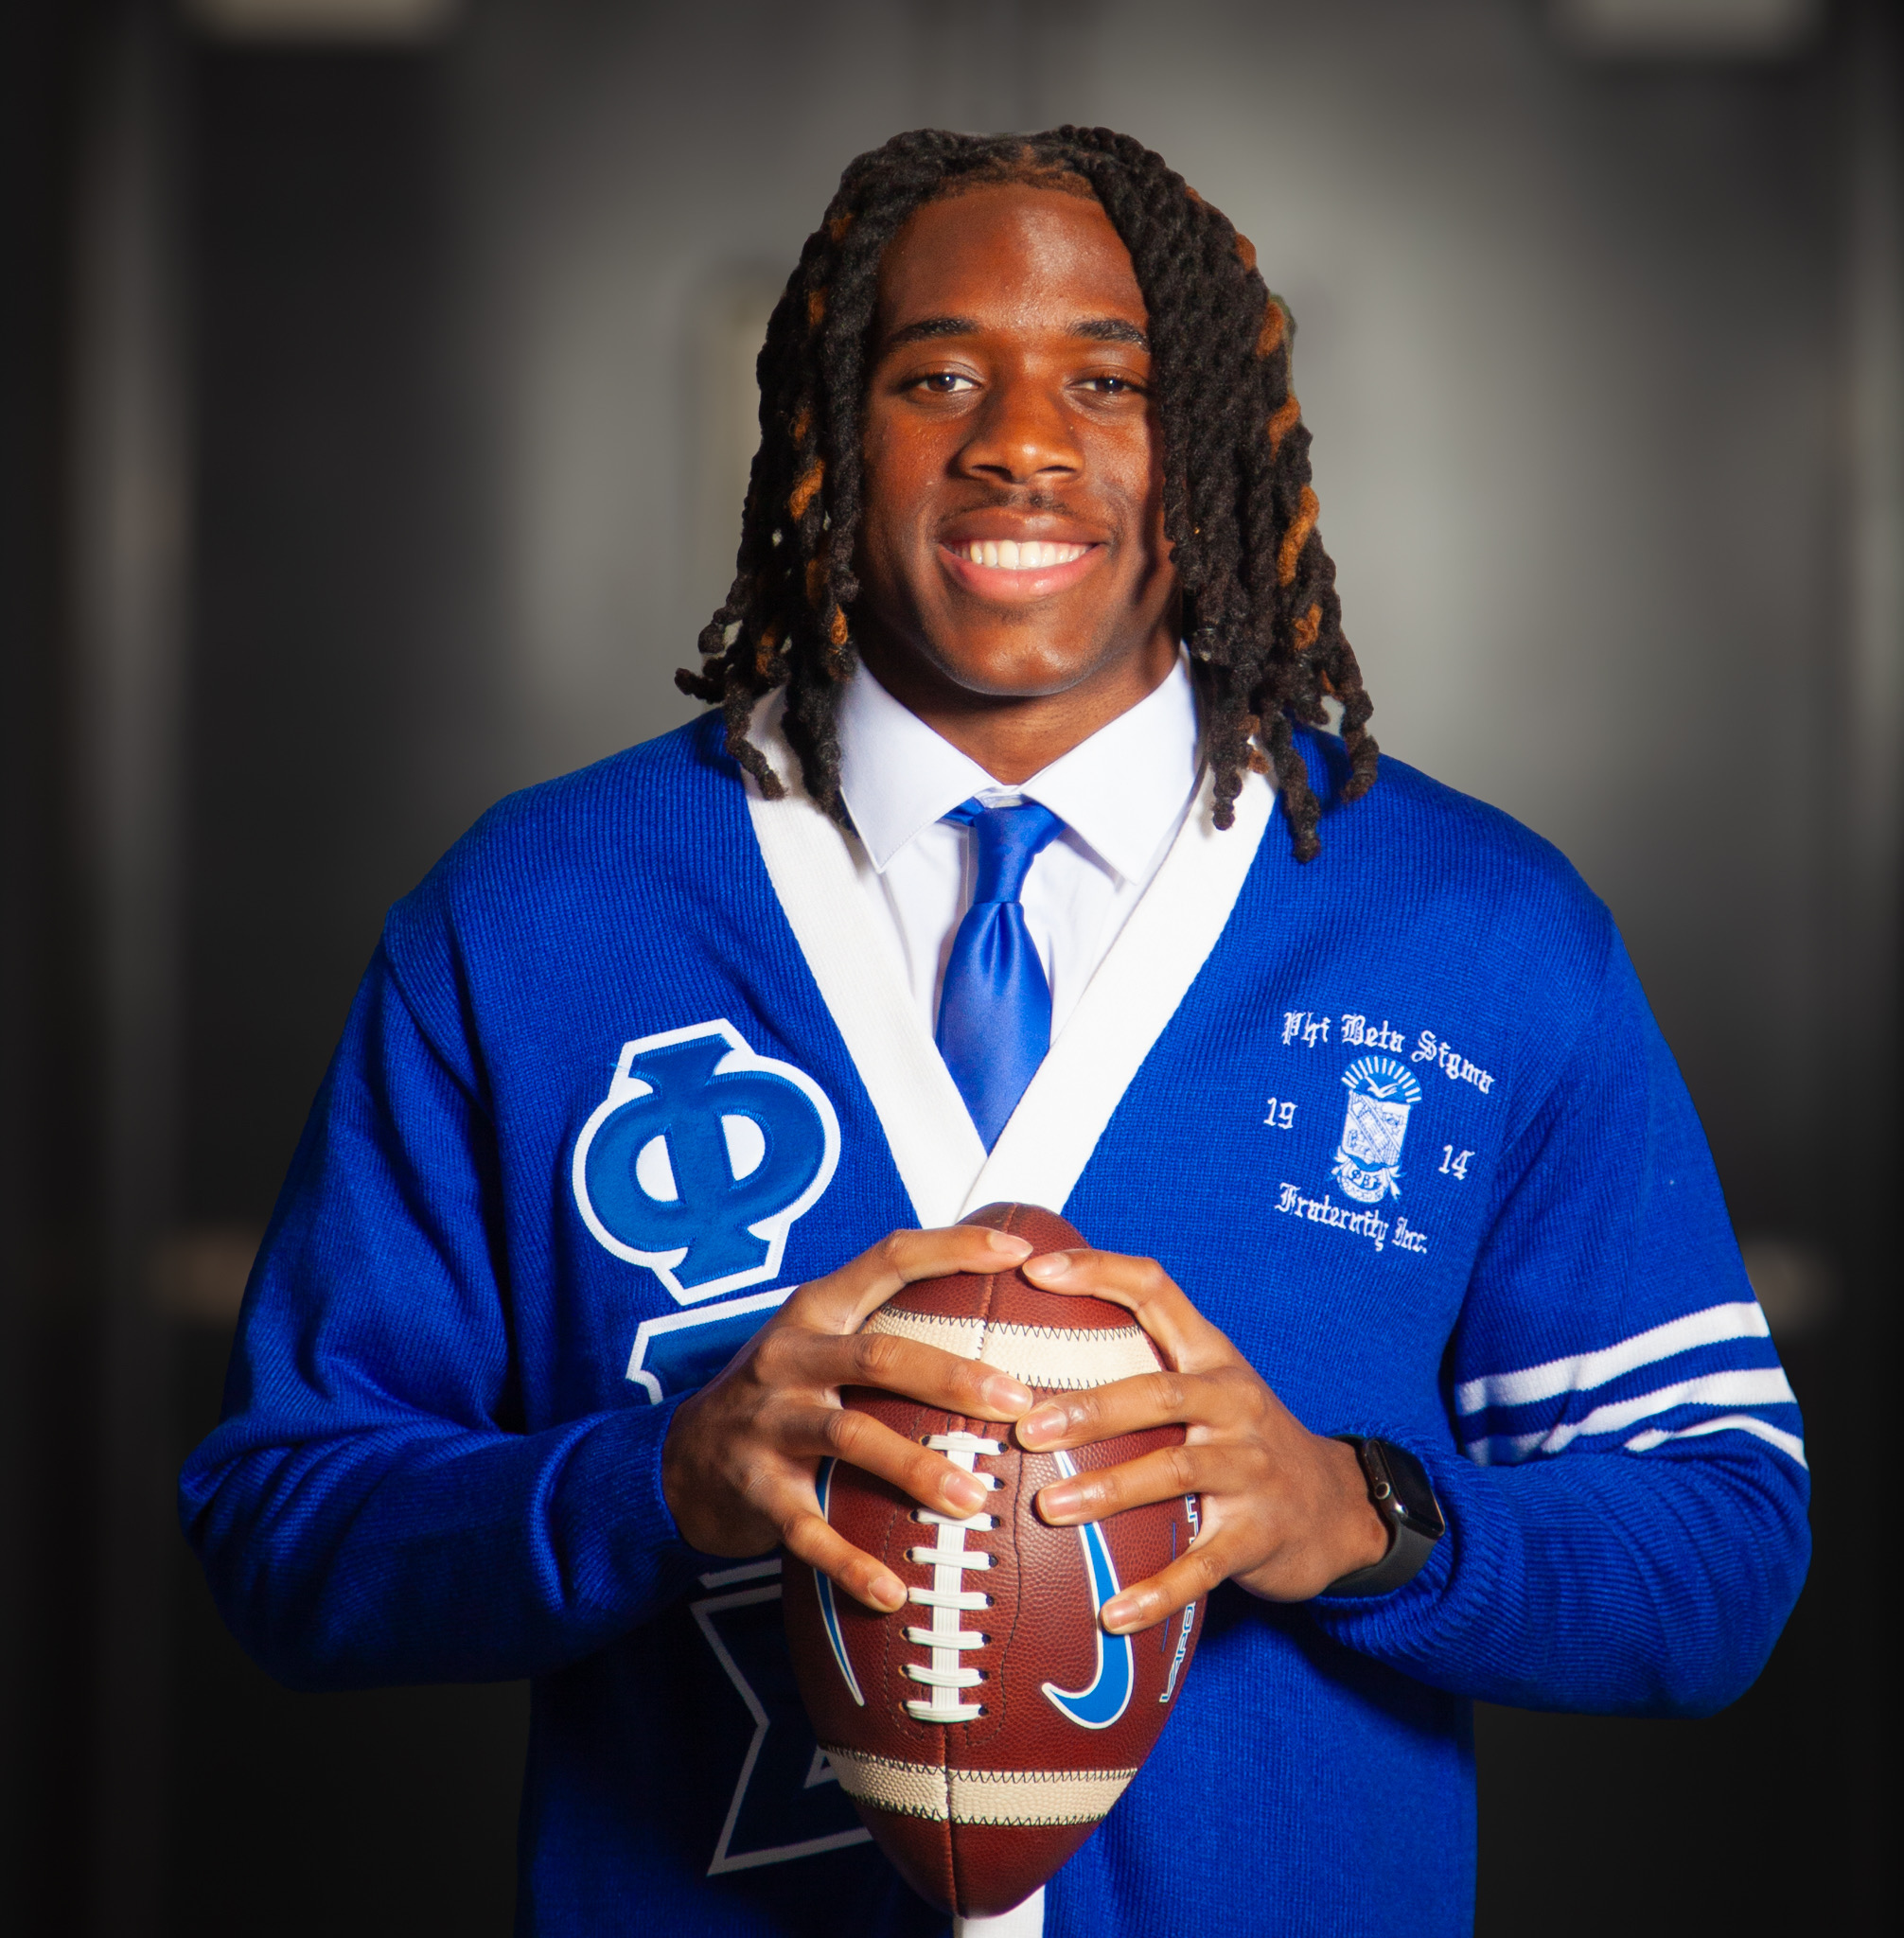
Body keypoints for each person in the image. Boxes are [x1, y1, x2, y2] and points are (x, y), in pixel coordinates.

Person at [181, 128, 1809, 1938]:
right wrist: (652, 1482)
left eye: (1110, 382)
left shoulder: (1473, 927)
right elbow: (281, 1520)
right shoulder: (542, 913)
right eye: (938, 376)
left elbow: (1721, 1550)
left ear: (1212, 446)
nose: (1020, 441)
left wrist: (1360, 1517)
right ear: (827, 433)